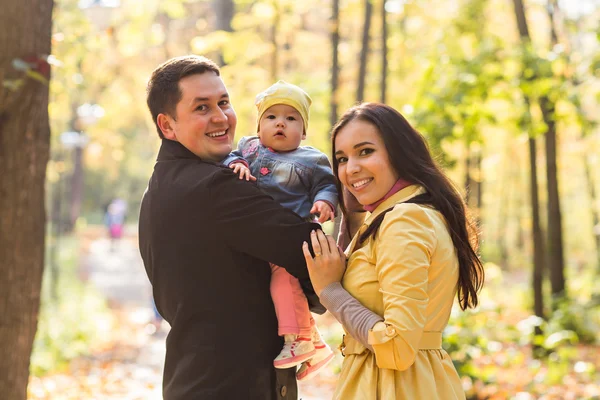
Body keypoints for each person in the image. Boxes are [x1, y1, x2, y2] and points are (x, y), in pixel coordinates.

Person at [138, 55, 323, 400]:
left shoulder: (155, 190)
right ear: (167, 125)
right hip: (233, 385)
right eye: (202, 108)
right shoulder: (215, 186)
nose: (221, 117)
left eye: (223, 102)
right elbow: (310, 251)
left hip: (190, 380)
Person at [302, 102, 485, 399]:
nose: (351, 169)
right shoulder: (396, 215)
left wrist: (330, 290)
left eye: (365, 151)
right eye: (342, 159)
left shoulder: (404, 220)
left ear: (399, 152)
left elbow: (397, 346)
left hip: (394, 387)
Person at [222, 80, 336, 380]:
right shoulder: (248, 147)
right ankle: (316, 343)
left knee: (283, 283)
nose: (280, 124)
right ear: (259, 126)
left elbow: (326, 184)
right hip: (260, 233)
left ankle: (296, 340)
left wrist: (325, 201)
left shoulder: (311, 160)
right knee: (281, 288)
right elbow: (229, 157)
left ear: (304, 131)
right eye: (271, 117)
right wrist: (238, 165)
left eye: (291, 118)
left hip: (292, 235)